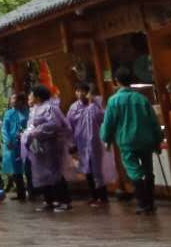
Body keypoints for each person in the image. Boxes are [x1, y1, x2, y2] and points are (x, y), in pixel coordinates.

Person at [99, 67, 164, 215]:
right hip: (146, 140)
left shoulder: (113, 101)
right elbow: (153, 122)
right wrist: (157, 140)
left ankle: (142, 203)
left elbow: (108, 123)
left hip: (126, 142)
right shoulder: (141, 99)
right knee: (148, 170)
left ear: (116, 81)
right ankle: (150, 202)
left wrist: (106, 139)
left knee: (134, 171)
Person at [22, 84, 70, 212]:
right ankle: (48, 200)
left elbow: (54, 124)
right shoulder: (34, 109)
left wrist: (36, 132)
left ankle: (64, 201)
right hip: (38, 147)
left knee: (55, 173)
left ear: (37, 97)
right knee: (42, 173)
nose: (29, 96)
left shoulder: (50, 108)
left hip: (50, 146)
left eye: (31, 94)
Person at [67, 81, 108, 207]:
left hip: (95, 143)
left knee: (97, 170)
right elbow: (69, 127)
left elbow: (101, 118)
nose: (80, 94)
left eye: (83, 91)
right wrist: (72, 144)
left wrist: (92, 103)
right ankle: (93, 196)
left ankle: (102, 197)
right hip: (81, 144)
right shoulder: (73, 108)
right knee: (87, 170)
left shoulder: (95, 105)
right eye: (78, 91)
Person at [1, 92, 30, 202]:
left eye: (15, 99)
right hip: (13, 144)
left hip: (25, 143)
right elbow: (4, 128)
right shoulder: (9, 113)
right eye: (12, 99)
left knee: (28, 167)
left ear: (21, 101)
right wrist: (7, 140)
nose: (13, 101)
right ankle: (20, 193)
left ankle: (33, 191)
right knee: (16, 169)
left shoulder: (27, 112)